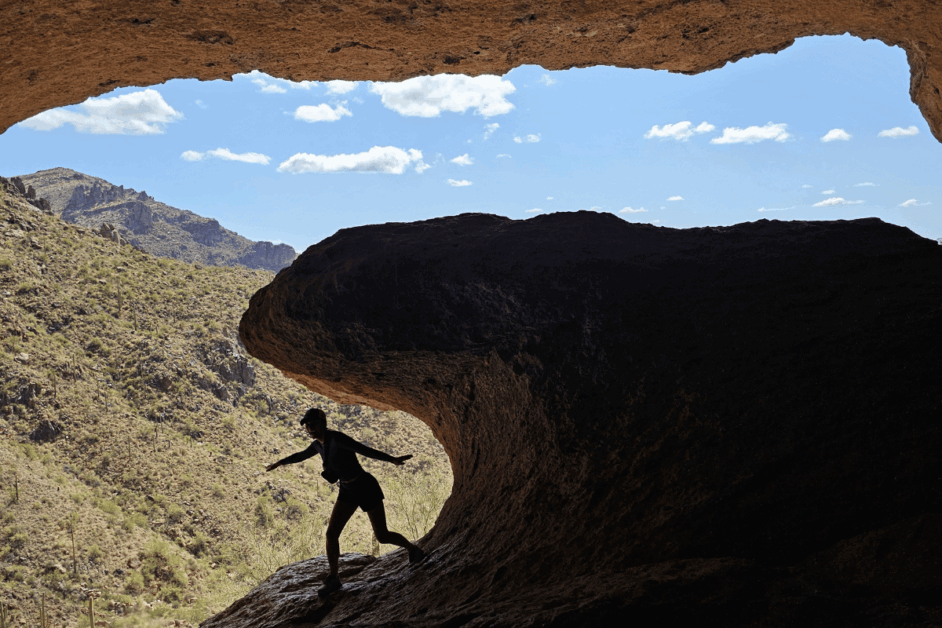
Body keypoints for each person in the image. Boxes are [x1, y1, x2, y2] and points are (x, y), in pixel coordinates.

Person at [265, 407, 426, 598]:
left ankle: (413, 549)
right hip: (347, 490)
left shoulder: (337, 438)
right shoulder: (317, 445)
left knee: (382, 535)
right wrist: (280, 463)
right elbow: (300, 455)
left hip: (365, 486)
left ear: (323, 424)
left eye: (313, 424)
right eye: (307, 426)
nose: (310, 429)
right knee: (331, 534)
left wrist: (391, 459)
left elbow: (363, 449)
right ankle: (334, 578)